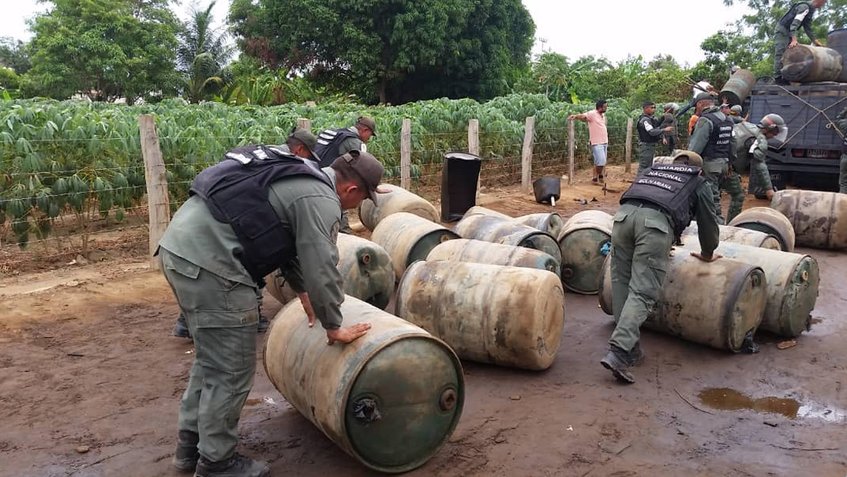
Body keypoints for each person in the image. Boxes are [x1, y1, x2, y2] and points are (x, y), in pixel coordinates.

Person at [158, 129, 382, 477]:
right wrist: (334, 325)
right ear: (351, 190)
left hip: (179, 249)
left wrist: (304, 294)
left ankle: (190, 450)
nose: (358, 206)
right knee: (231, 369)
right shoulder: (322, 200)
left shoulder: (297, 172)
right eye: (364, 199)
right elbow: (321, 264)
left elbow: (286, 244)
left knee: (211, 360)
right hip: (213, 266)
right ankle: (217, 463)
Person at [601, 150, 721, 384]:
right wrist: (708, 252)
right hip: (653, 226)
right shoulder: (697, 180)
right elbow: (708, 223)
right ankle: (619, 351)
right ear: (699, 167)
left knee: (621, 283)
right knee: (643, 291)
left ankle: (631, 346)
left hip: (621, 220)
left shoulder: (654, 170)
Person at [313, 116, 377, 232]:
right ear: (365, 130)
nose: (369, 138)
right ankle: (345, 234)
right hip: (330, 181)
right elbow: (363, 167)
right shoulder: (355, 142)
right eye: (370, 135)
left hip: (315, 174)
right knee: (341, 204)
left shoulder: (338, 133)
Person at [688, 93, 743, 223]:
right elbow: (733, 143)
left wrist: (688, 163)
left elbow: (695, 147)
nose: (697, 108)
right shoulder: (727, 119)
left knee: (712, 199)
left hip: (710, 165)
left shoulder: (705, 120)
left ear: (701, 104)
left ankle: (718, 226)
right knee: (716, 193)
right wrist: (730, 162)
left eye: (697, 105)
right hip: (724, 164)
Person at [733, 114, 788, 200]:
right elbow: (760, 165)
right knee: (738, 196)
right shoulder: (760, 140)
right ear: (770, 128)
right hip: (727, 169)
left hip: (717, 161)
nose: (775, 135)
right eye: (775, 132)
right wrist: (768, 189)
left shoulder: (746, 125)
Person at [773, 0, 827, 84]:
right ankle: (778, 78)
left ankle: (787, 76)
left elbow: (807, 27)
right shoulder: (804, 7)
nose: (823, 5)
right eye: (824, 2)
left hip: (790, 31)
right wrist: (794, 40)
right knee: (780, 52)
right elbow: (794, 25)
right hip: (782, 30)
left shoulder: (811, 10)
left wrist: (815, 40)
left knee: (791, 54)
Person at [569, 100, 609, 184]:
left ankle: (595, 178)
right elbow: (584, 116)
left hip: (604, 141)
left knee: (597, 161)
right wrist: (575, 116)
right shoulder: (592, 114)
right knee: (601, 161)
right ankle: (599, 174)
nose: (606, 108)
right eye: (605, 106)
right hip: (596, 142)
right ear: (600, 107)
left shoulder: (603, 115)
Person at [636, 101, 673, 174]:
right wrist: (664, 130)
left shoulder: (651, 119)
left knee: (649, 165)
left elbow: (656, 126)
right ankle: (640, 182)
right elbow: (652, 132)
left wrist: (663, 117)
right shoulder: (645, 120)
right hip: (646, 146)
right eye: (652, 108)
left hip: (650, 145)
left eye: (654, 108)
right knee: (644, 166)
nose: (654, 109)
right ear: (645, 109)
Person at [836, 105, 847, 194]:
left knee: (843, 183)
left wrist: (845, 109)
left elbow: (838, 119)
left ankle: (843, 202)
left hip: (845, 157)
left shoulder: (845, 124)